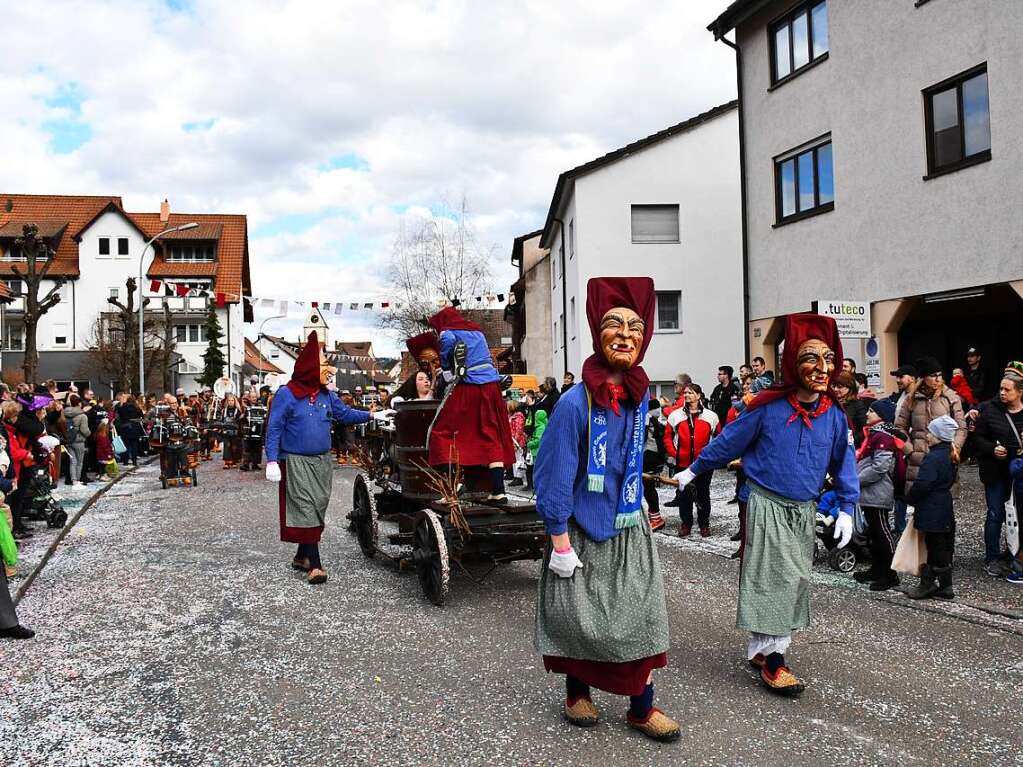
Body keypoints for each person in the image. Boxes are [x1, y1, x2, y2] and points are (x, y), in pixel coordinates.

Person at [674, 313, 857, 697]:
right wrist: (692, 471)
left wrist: (846, 506)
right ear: (792, 363)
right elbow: (728, 442)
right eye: (811, 358)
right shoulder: (768, 408)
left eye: (828, 359)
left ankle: (762, 648)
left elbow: (844, 462)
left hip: (804, 509)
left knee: (793, 580)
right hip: (767, 504)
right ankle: (775, 662)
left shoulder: (833, 416)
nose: (822, 368)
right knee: (777, 579)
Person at [534, 276, 678, 742]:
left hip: (629, 525)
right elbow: (553, 473)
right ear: (598, 332)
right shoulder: (574, 404)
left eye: (635, 328)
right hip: (579, 529)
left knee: (643, 615)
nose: (625, 335)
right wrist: (558, 539)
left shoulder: (640, 402)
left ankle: (642, 707)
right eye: (614, 324)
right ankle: (578, 693)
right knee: (582, 618)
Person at [265, 331, 376, 585]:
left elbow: (345, 414)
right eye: (323, 363)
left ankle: (301, 555)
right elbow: (274, 427)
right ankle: (315, 564)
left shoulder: (326, 394)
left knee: (317, 506)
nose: (328, 368)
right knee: (305, 508)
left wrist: (371, 416)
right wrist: (272, 459)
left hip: (322, 461)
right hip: (295, 460)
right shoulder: (287, 393)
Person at [427, 307, 515, 502]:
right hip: (491, 386)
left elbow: (448, 345)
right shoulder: (477, 332)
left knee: (442, 433)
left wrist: (447, 369)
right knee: (490, 434)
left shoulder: (448, 333)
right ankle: (498, 491)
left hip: (469, 385)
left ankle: (454, 485)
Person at [971, 371, 1023, 576]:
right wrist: (992, 448)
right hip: (996, 473)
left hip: (1019, 474)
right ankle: (991, 557)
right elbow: (976, 439)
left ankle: (1014, 553)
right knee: (995, 514)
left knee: (1018, 515)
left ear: (1019, 392)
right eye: (1001, 389)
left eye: (1007, 390)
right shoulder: (990, 412)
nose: (1002, 393)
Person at [894, 357, 967, 499]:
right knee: (919, 505)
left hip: (944, 456)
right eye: (933, 376)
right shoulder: (911, 398)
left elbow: (961, 427)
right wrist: (910, 451)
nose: (937, 379)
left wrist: (955, 448)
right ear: (923, 377)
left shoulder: (950, 397)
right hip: (918, 458)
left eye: (939, 375)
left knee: (943, 503)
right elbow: (899, 428)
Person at [906, 415, 960, 600]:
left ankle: (927, 584)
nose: (927, 435)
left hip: (932, 507)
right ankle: (945, 585)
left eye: (930, 432)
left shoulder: (933, 458)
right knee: (943, 545)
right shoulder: (950, 454)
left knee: (934, 545)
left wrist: (910, 498)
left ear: (937, 436)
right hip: (944, 505)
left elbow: (923, 484)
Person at [853, 399, 900, 591]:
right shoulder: (874, 434)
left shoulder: (883, 436)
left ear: (881, 416)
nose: (867, 414)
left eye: (871, 411)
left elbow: (880, 467)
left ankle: (890, 573)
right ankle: (877, 568)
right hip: (870, 493)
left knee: (882, 532)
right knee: (873, 532)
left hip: (879, 492)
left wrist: (856, 480)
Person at [664, 383, 719, 537]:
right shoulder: (675, 415)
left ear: (698, 395)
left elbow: (719, 436)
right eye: (685, 393)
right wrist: (673, 452)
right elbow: (667, 435)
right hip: (682, 463)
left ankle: (704, 524)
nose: (687, 395)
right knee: (684, 495)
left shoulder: (711, 416)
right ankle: (686, 523)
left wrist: (713, 455)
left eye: (691, 392)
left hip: (704, 464)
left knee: (703, 494)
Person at [393, 332, 441, 402]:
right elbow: (396, 397)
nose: (431, 367)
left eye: (435, 361)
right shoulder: (417, 376)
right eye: (425, 363)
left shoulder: (447, 375)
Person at [642, 398, 666, 532]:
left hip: (649, 454)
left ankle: (656, 517)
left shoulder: (647, 418)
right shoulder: (655, 419)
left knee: (648, 486)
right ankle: (654, 516)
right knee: (647, 486)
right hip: (654, 455)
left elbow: (643, 437)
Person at [831, 370, 868, 449]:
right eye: (833, 386)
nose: (835, 389)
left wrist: (848, 440)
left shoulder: (857, 404)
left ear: (849, 387)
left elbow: (865, 430)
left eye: (839, 387)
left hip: (850, 447)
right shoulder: (829, 403)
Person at [63, 394, 90, 487]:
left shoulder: (65, 413)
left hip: (69, 439)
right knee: (79, 462)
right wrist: (89, 433)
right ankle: (77, 480)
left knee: (72, 461)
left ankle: (73, 480)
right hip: (79, 440)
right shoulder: (82, 416)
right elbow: (84, 430)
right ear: (79, 403)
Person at [219, 392, 245, 469]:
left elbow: (240, 421)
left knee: (234, 446)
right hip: (226, 431)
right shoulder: (224, 411)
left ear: (234, 401)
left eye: (232, 400)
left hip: (235, 432)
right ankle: (227, 462)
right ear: (227, 401)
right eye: (229, 400)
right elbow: (222, 420)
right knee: (227, 446)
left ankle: (234, 460)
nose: (230, 402)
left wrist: (240, 418)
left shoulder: (238, 411)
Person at [507, 400, 527, 487]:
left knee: (519, 459)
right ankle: (515, 476)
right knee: (514, 460)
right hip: (511, 440)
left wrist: (515, 442)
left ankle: (519, 477)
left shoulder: (519, 416)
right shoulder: (511, 416)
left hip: (517, 441)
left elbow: (518, 430)